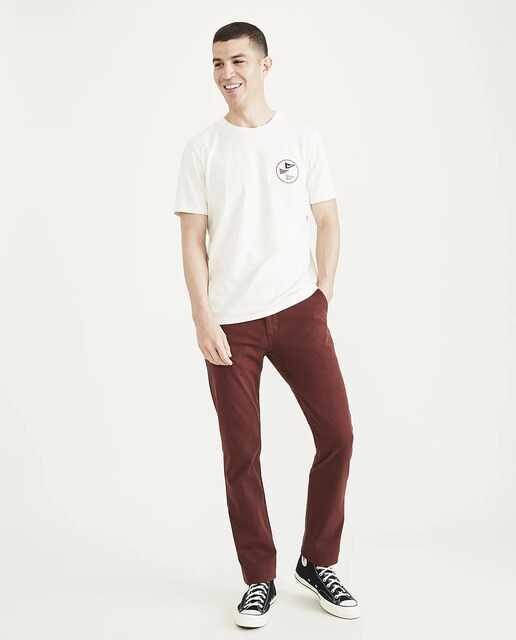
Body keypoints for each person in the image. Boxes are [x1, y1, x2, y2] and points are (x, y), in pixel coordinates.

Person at [172, 21, 361, 628]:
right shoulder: (202, 149)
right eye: (217, 63)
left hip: (298, 309)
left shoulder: (302, 138)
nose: (226, 74)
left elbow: (328, 220)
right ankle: (259, 578)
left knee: (338, 434)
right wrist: (202, 316)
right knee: (242, 454)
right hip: (232, 322)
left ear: (265, 65)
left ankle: (318, 561)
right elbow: (192, 241)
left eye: (237, 61)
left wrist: (321, 297)